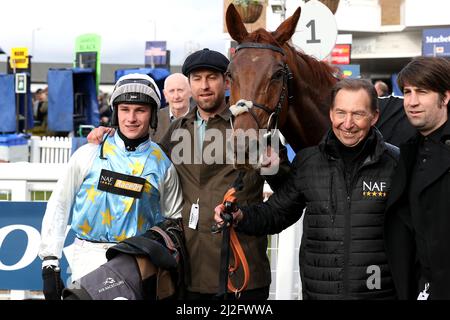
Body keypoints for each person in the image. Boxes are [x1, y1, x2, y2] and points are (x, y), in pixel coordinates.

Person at [88, 48, 288, 300]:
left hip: (242, 274)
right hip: (188, 274)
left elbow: (287, 192)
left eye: (211, 77)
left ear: (226, 81)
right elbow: (141, 160)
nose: (204, 86)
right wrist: (109, 135)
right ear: (189, 84)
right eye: (196, 78)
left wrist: (273, 170)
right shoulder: (176, 130)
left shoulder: (252, 130)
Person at [215, 78, 400, 299]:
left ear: (374, 116)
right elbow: (278, 212)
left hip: (380, 293)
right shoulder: (308, 162)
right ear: (330, 114)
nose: (348, 123)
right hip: (319, 294)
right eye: (341, 113)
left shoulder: (396, 163)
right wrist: (240, 216)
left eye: (358, 114)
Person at [38, 73, 183, 300]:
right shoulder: (88, 153)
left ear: (153, 114)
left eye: (140, 110)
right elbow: (59, 203)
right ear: (115, 112)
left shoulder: (163, 164)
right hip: (87, 259)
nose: (131, 118)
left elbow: (174, 220)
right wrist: (49, 260)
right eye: (125, 109)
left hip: (137, 264)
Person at [384, 56, 450, 300]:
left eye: (422, 92)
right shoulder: (406, 152)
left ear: (446, 96)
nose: (411, 102)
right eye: (407, 92)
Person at [151, 73, 192, 142]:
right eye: (171, 91)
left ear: (190, 92)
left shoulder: (202, 118)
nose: (176, 96)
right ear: (165, 95)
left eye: (180, 90)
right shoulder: (153, 119)